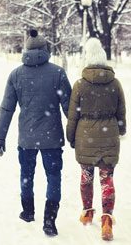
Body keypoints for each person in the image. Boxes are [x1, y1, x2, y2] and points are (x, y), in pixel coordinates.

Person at [0, 28, 72, 237]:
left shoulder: (16, 75)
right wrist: (74, 134)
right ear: (45, 49)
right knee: (53, 176)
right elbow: (69, 108)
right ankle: (49, 220)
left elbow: (6, 108)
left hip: (27, 138)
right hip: (52, 139)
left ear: (26, 49)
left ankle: (28, 211)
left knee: (26, 175)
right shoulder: (57, 73)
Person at [66, 37, 126, 241]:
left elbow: (73, 114)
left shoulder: (80, 84)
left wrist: (71, 136)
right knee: (107, 179)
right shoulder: (115, 83)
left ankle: (87, 212)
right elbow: (121, 112)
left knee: (87, 177)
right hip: (109, 137)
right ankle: (107, 219)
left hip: (85, 136)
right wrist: (121, 130)